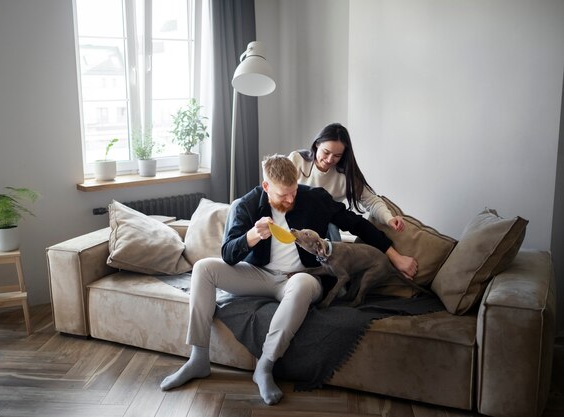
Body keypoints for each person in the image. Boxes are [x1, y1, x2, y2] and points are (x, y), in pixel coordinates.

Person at [160, 154, 413, 405]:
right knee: (204, 268)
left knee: (302, 284)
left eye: (293, 192)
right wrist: (251, 236)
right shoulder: (246, 205)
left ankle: (265, 367)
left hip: (302, 277)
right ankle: (198, 358)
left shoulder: (314, 198)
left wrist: (394, 255)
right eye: (283, 195)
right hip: (258, 275)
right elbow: (227, 254)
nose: (291, 199)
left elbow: (357, 225)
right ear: (266, 187)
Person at [288, 122, 417, 278]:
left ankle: (334, 278)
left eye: (337, 156)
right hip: (294, 218)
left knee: (351, 224)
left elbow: (371, 202)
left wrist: (389, 219)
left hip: (327, 223)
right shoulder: (297, 160)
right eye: (326, 152)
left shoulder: (345, 176)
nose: (330, 160)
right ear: (317, 144)